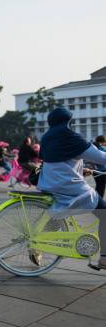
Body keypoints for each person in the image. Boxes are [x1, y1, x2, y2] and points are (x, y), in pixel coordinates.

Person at [38, 107, 106, 268]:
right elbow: (100, 158)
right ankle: (104, 258)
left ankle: (38, 240)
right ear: (68, 122)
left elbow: (58, 163)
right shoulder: (71, 137)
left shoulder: (46, 138)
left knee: (58, 213)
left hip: (50, 184)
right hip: (69, 187)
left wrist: (81, 169)